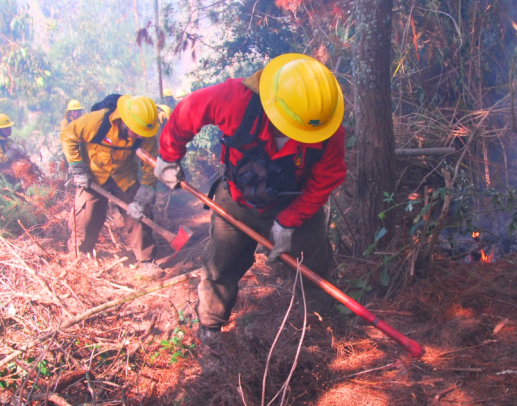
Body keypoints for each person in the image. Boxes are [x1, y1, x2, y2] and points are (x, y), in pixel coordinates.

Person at [155, 53, 346, 340]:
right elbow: (187, 112)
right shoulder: (236, 99)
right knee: (221, 264)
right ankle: (210, 329)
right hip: (236, 201)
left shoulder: (328, 128)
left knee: (312, 265)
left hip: (295, 203)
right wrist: (168, 157)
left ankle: (317, 329)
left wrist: (290, 221)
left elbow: (326, 178)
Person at [60, 95, 164, 278]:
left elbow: (150, 167)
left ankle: (146, 260)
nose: (140, 136)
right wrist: (77, 167)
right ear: (125, 123)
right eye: (136, 131)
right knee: (85, 216)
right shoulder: (97, 122)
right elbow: (68, 135)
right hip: (92, 176)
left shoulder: (146, 133)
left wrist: (143, 197)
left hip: (124, 177)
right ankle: (78, 259)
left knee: (139, 214)